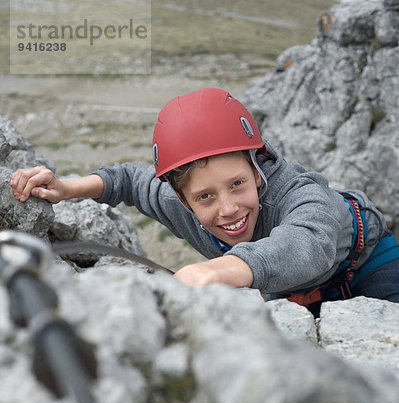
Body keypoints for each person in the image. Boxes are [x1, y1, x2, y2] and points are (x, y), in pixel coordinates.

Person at [10, 87, 399, 316]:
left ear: (258, 167)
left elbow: (307, 245)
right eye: (206, 197)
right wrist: (67, 188)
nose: (228, 208)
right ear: (180, 198)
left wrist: (214, 271)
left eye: (238, 184)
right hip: (292, 291)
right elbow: (128, 180)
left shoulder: (301, 196)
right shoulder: (174, 200)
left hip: (371, 267)